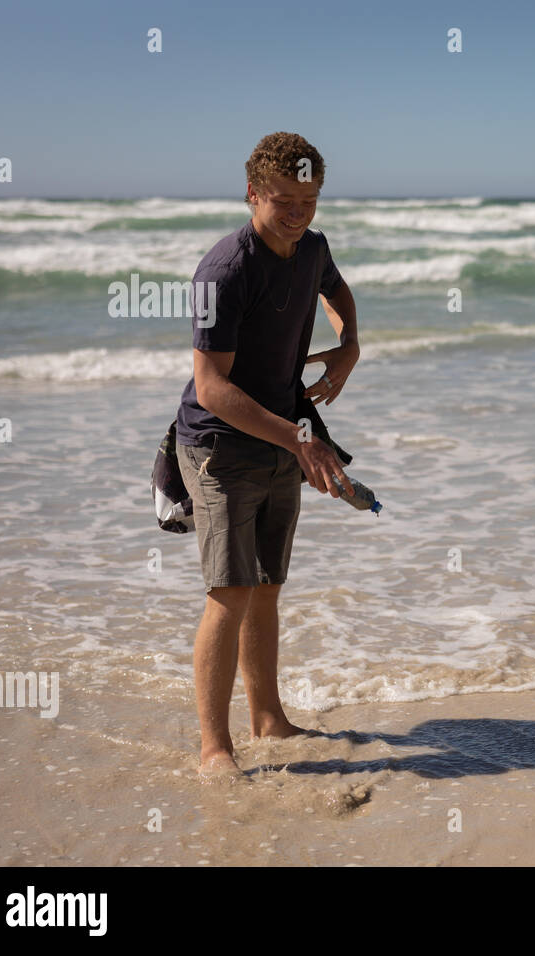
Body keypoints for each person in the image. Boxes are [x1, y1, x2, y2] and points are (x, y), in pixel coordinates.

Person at [175, 131, 359, 775]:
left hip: (285, 432)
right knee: (230, 591)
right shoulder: (223, 270)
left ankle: (269, 721)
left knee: (267, 587)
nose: (299, 212)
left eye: (310, 199)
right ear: (252, 193)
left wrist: (350, 346)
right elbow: (212, 388)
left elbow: (337, 292)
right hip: (220, 447)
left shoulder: (312, 247)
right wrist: (300, 439)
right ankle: (214, 748)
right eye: (284, 200)